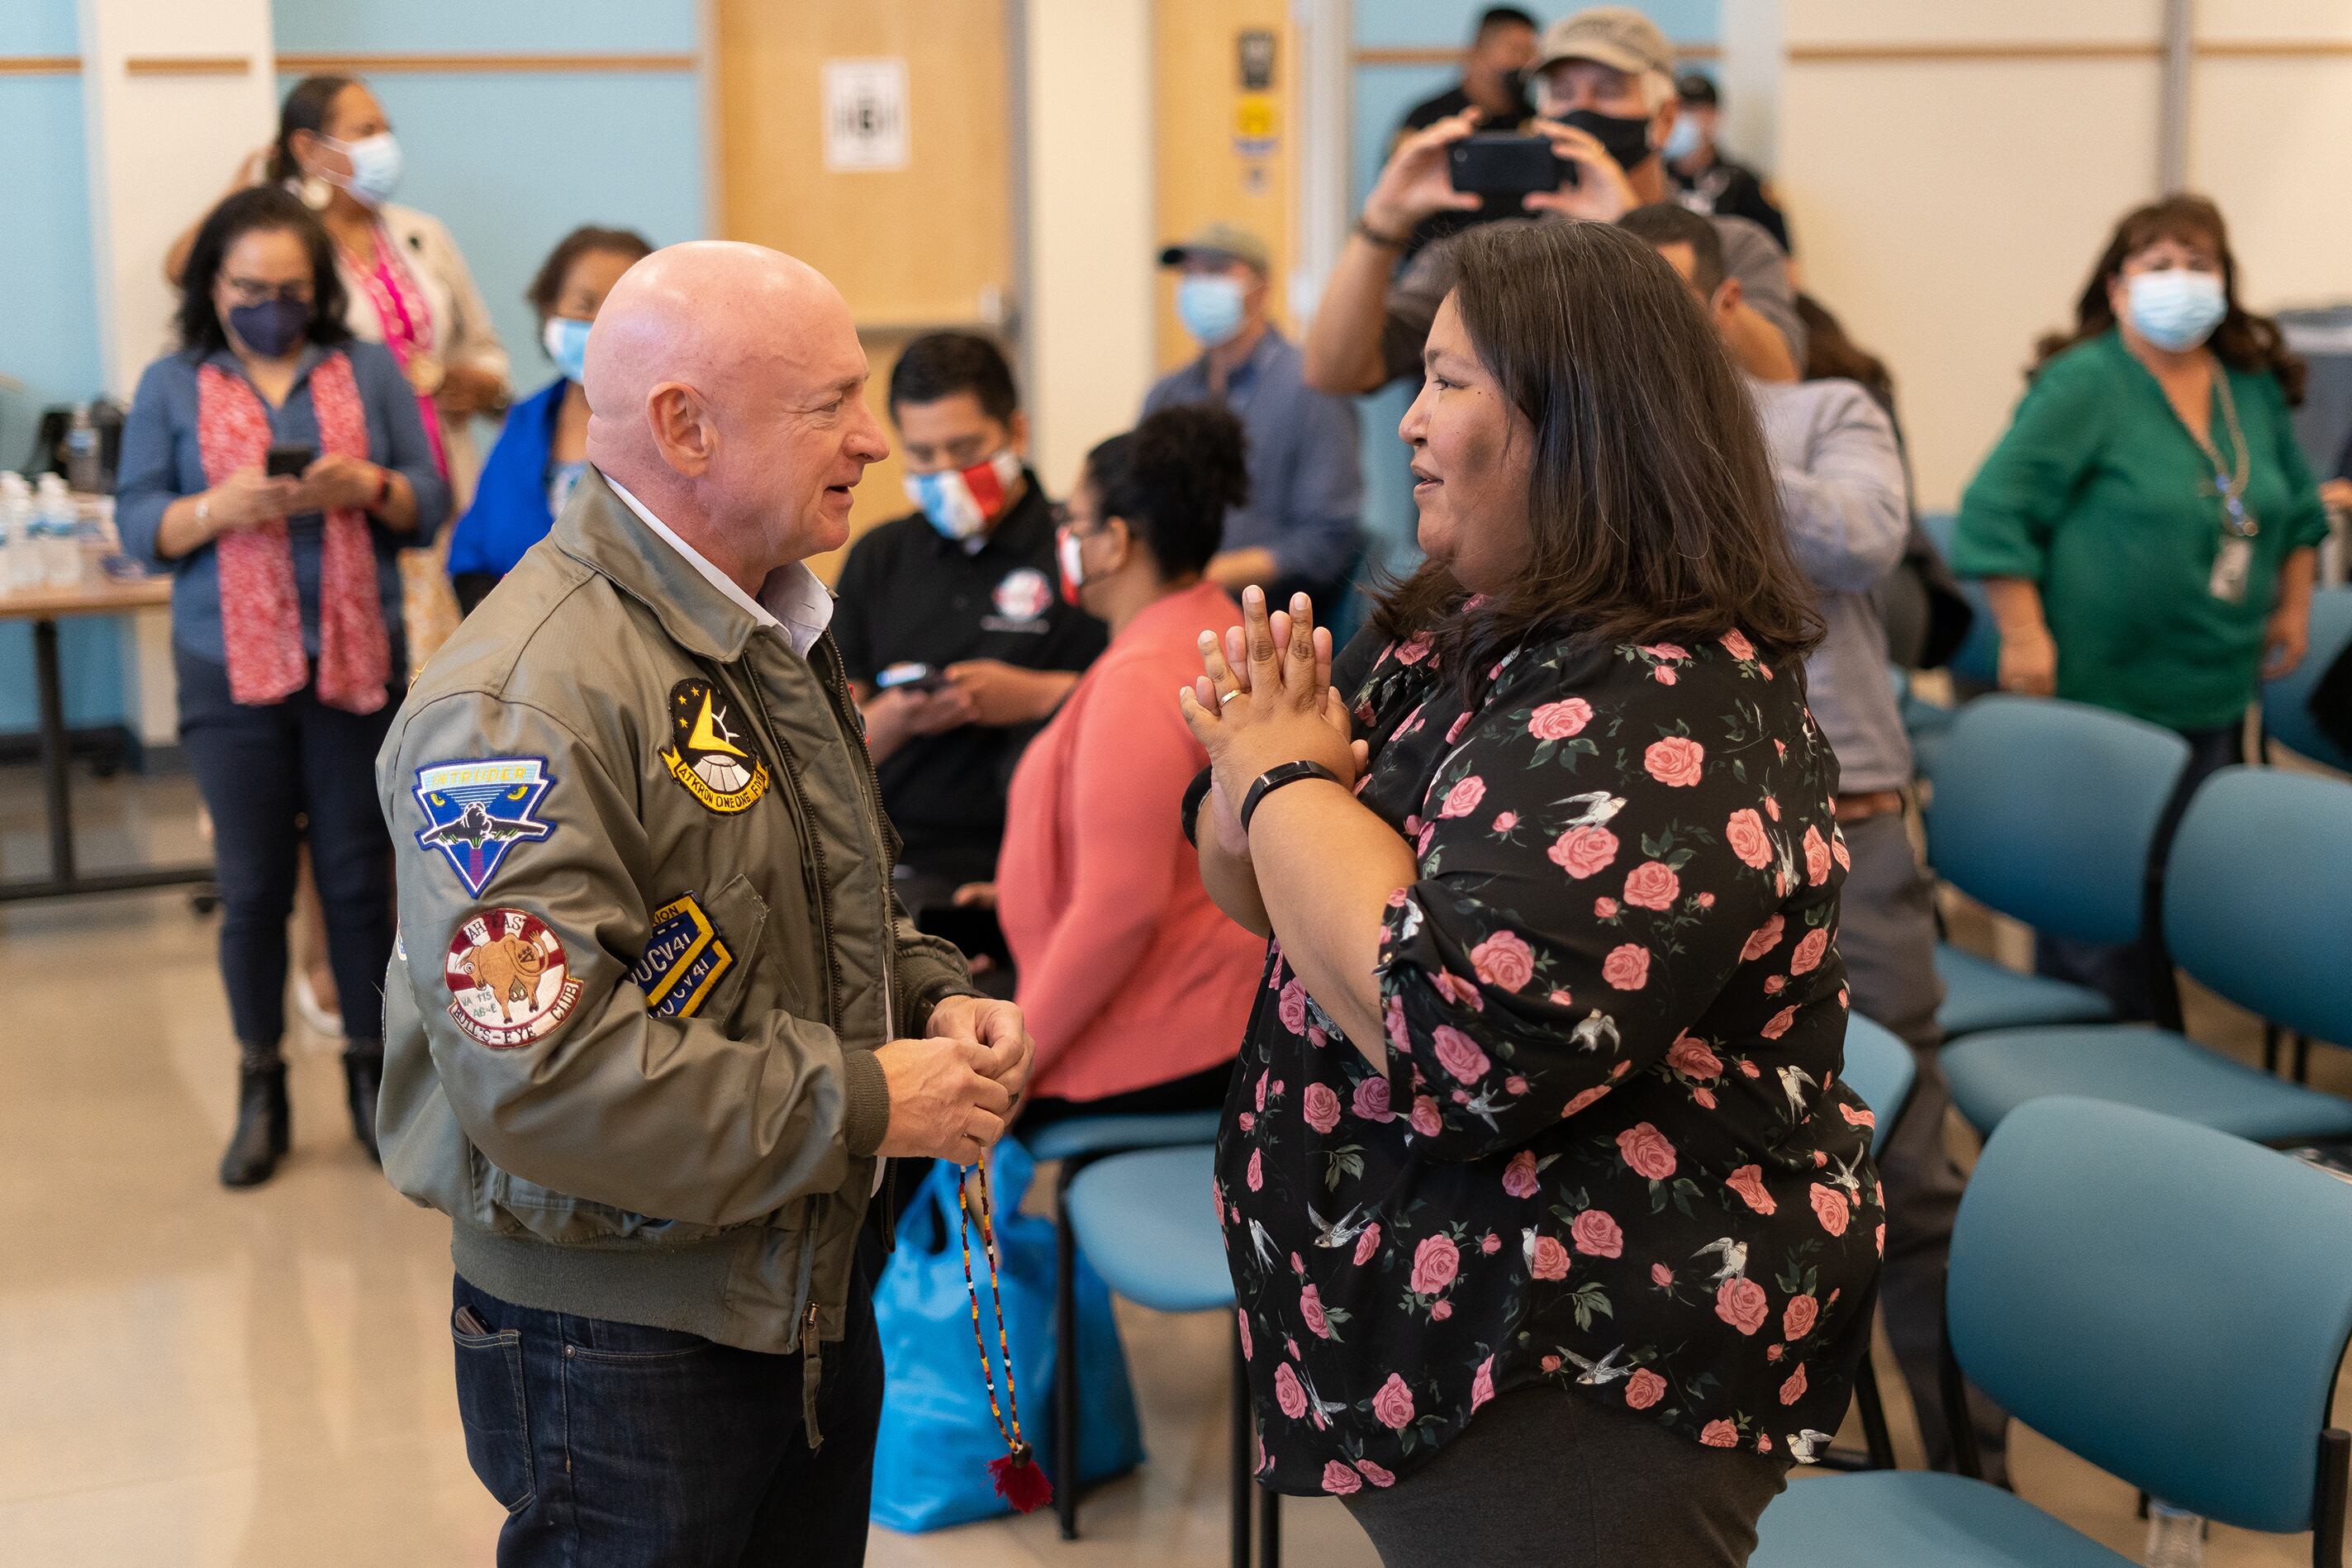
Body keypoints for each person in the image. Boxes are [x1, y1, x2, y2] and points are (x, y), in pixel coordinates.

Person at [1184, 218, 1881, 1566]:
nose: (1405, 422)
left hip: (1580, 1356)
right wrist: (1256, 785)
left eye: (1448, 381)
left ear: (1577, 422)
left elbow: (1452, 1036)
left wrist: (1278, 782)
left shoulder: (1669, 694)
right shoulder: (1475, 624)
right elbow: (1269, 893)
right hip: (1447, 1331)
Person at [374, 240, 1033, 1566]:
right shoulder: (517, 706)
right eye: (827, 406)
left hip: (787, 1265)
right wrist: (866, 1100)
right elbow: (540, 1075)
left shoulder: (766, 623)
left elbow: (815, 897)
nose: (869, 441)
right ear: (684, 425)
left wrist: (932, 997)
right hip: (623, 1335)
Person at [1623, 200, 1998, 1482]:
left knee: (1904, 1164)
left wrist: (1693, 431)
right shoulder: (1596, 444)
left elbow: (1855, 539)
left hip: (1848, 832)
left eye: (1670, 310)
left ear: (1725, 304)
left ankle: (1966, 1467)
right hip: (1685, 858)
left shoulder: (1820, 413)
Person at [116, 186, 449, 1188]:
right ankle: (262, 1084)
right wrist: (220, 506)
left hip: (355, 658)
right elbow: (139, 527)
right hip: (230, 673)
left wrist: (369, 487)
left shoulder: (371, 370)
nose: (269, 305)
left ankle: (366, 1078)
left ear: (318, 290)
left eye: (290, 289)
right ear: (214, 287)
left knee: (358, 881)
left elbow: (428, 502)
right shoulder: (173, 382)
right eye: (249, 287)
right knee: (255, 887)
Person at [1954, 194, 2326, 1019]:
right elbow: (1992, 511)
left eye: (2200, 264)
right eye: (2159, 265)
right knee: (2098, 917)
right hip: (2102, 693)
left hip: (2214, 686)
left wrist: (2294, 608)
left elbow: (2297, 510)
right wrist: (2023, 631)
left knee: (2183, 898)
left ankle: (2162, 1075)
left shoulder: (2248, 386)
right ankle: (2093, 1082)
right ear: (2118, 287)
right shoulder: (2085, 382)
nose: (2181, 281)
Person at [991, 405, 1264, 1132]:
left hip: (1162, 1035)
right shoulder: (1212, 629)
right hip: (1217, 1017)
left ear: (1113, 543)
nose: (1065, 541)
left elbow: (1120, 913)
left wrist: (1007, 1075)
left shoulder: (1141, 682)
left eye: (1074, 523)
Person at [1305, 7, 1805, 399]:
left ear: (1665, 118)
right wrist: (1382, 222)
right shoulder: (1491, 256)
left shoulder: (1734, 245)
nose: (1581, 110)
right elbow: (1337, 370)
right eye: (1562, 92)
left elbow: (1780, 380)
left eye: (1608, 91)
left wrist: (1631, 234)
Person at [832, 332, 1107, 902]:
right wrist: (898, 716)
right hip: (895, 861)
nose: (947, 474)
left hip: (1049, 858)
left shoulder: (1081, 550)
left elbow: (1144, 713)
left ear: (1017, 433)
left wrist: (1036, 695)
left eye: (964, 450)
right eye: (924, 456)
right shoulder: (880, 558)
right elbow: (825, 743)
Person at [167, 74, 510, 492]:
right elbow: (184, 271)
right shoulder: (286, 251)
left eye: (386, 131)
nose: (384, 145)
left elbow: (482, 345)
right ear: (308, 148)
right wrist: (240, 197)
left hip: (443, 459)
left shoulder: (423, 233)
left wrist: (483, 383)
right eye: (366, 131)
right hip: (342, 466)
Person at [1146, 224, 1364, 612]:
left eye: (1215, 272)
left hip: (1268, 619)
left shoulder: (1311, 389)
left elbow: (1326, 540)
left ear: (1260, 287)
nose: (1198, 286)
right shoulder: (1168, 396)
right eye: (1190, 275)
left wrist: (1205, 576)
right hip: (1172, 606)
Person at [445, 225, 656, 611]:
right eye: (583, 304)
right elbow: (472, 550)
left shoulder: (674, 428)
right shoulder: (525, 421)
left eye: (621, 304)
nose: (600, 322)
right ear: (549, 311)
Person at [1390, 7, 1543, 259]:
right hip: (1439, 264)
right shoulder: (1428, 120)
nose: (1525, 64)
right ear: (1478, 53)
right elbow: (1401, 200)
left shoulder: (1536, 121)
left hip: (1524, 263)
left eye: (1531, 54)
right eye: (1516, 51)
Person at [1665, 73, 1791, 254]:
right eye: (1682, 109)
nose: (1687, 119)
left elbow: (1783, 258)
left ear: (1716, 116)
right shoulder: (1655, 176)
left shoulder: (1741, 183)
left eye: (1698, 110)